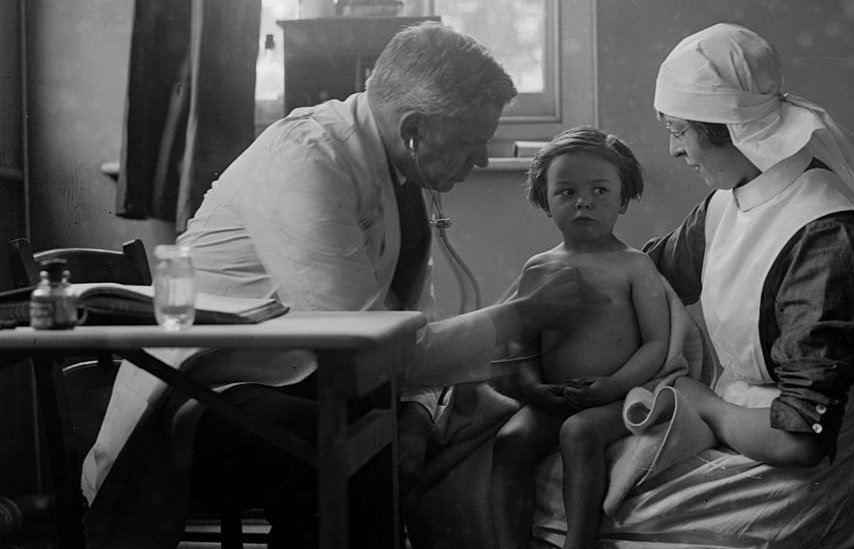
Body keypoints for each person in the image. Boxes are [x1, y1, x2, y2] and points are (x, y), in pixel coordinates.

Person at [80, 21, 584, 548]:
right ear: (413, 128)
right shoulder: (308, 160)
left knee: (433, 430)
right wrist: (523, 314)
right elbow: (361, 347)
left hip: (294, 380)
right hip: (201, 397)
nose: (479, 160)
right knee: (350, 456)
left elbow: (410, 324)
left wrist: (413, 413)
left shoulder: (398, 175)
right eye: (469, 144)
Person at [533, 23, 854, 548]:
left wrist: (703, 404)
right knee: (557, 471)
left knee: (555, 495)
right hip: (740, 431)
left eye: (679, 131)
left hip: (798, 478)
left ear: (728, 130)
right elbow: (641, 277)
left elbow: (802, 440)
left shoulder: (830, 237)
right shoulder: (732, 199)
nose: (676, 151)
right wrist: (536, 306)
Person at [490, 127, 672, 549]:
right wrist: (534, 387)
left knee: (579, 433)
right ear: (545, 200)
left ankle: (579, 543)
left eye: (600, 190)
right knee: (510, 440)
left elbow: (656, 343)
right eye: (566, 192)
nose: (583, 202)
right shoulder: (539, 267)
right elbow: (523, 340)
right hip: (553, 396)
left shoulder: (635, 266)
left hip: (614, 398)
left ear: (624, 199)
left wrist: (613, 385)